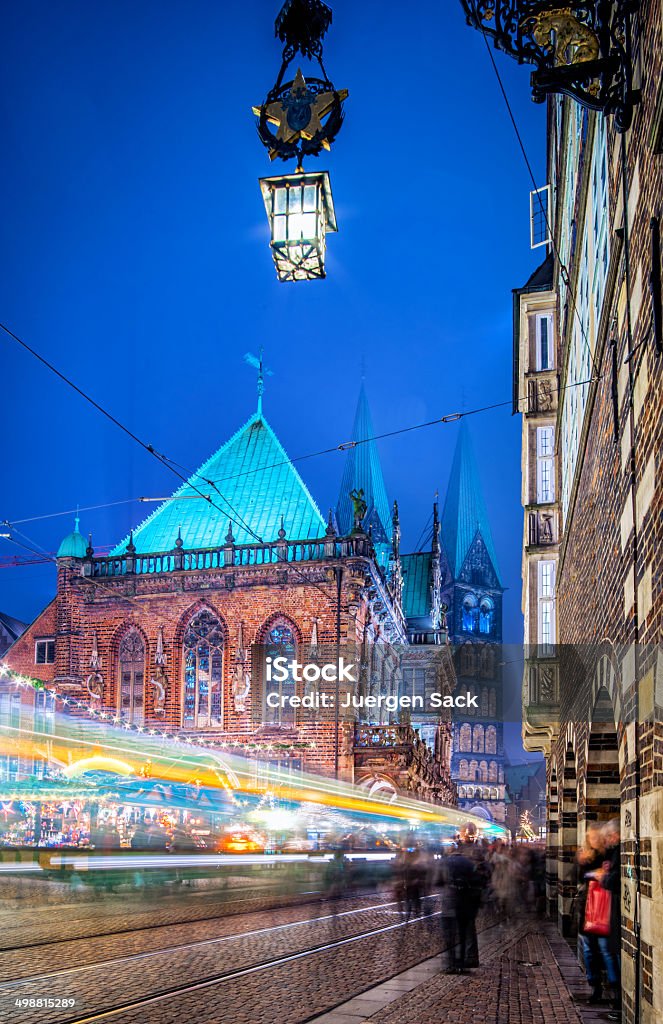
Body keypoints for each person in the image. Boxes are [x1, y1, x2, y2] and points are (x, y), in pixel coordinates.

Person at [577, 823, 620, 1005]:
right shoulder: (586, 857)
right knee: (589, 951)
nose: (592, 841)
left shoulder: (609, 854)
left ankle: (616, 990)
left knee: (607, 951)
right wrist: (588, 871)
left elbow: (611, 876)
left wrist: (597, 874)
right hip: (589, 911)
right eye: (590, 837)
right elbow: (579, 877)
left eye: (595, 837)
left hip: (604, 911)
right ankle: (595, 986)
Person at [438, 843, 477, 973]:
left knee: (449, 935)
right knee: (462, 935)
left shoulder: (444, 862)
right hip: (464, 904)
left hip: (448, 903)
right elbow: (476, 883)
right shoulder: (469, 863)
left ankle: (451, 964)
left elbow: (437, 881)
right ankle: (461, 963)